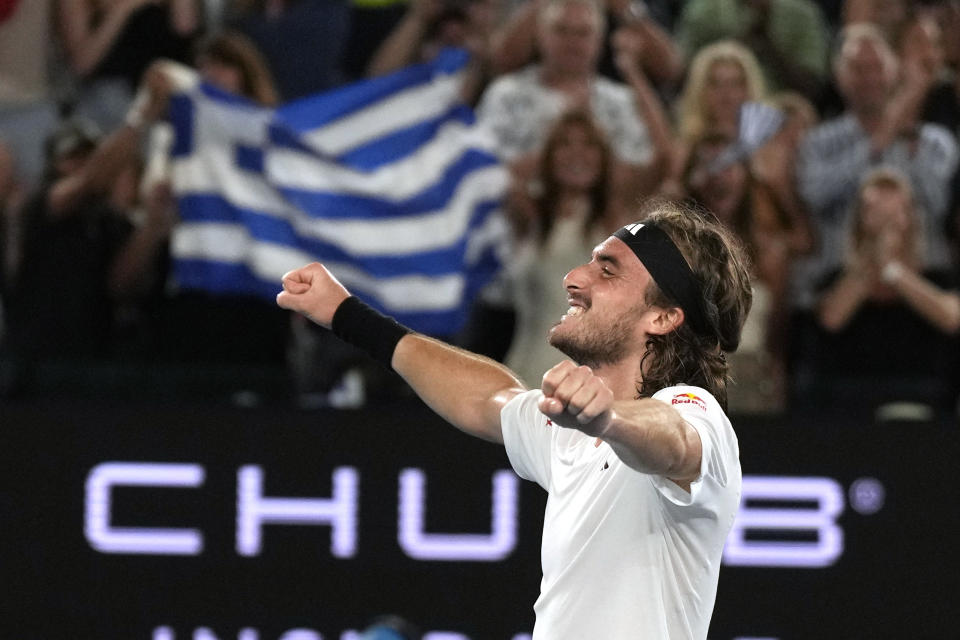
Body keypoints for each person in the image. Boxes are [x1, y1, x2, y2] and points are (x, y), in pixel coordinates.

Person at [276, 200, 754, 639]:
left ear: (664, 318)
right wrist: (346, 314)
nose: (573, 278)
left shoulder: (694, 410)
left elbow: (674, 441)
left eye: (607, 271)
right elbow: (490, 398)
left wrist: (608, 420)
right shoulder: (569, 433)